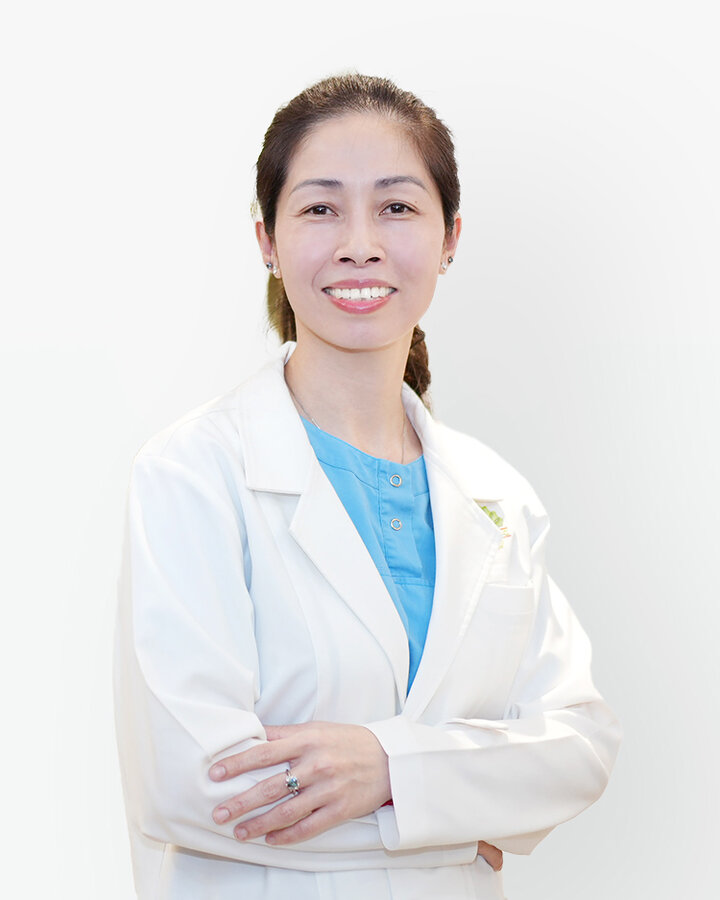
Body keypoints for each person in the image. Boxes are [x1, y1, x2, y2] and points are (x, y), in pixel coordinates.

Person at [114, 73, 622, 900]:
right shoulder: (192, 473)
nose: (359, 243)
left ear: (450, 237)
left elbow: (579, 748)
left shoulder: (495, 496)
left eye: (396, 207)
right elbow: (196, 785)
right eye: (320, 208)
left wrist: (387, 768)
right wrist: (456, 815)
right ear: (267, 241)